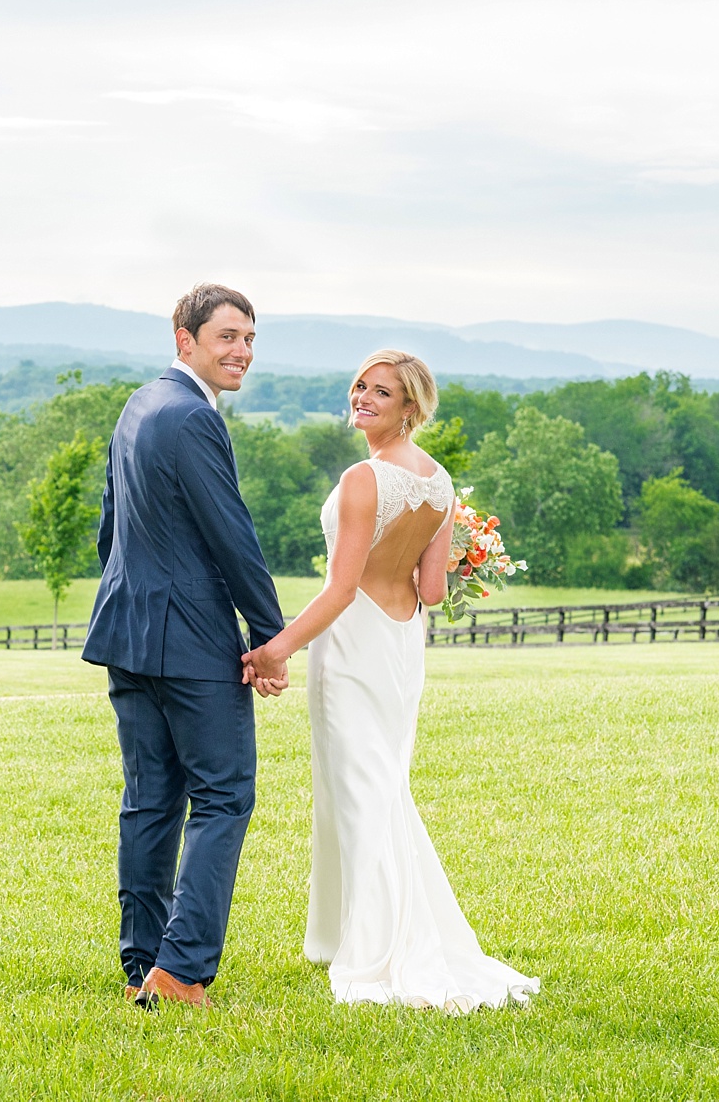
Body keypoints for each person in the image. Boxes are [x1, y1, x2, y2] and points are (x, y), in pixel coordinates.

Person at [241, 349, 539, 1012]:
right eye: (360, 386)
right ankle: (361, 931)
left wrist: (276, 649)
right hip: (402, 645)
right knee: (380, 787)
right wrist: (459, 555)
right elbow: (431, 590)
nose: (364, 398)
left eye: (382, 392)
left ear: (411, 407)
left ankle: (379, 948)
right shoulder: (439, 482)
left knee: (362, 792)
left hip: (353, 647)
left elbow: (341, 589)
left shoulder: (362, 480)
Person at [82, 283, 289, 1009]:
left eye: (250, 339)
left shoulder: (139, 405)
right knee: (224, 797)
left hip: (127, 632)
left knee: (149, 801)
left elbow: (110, 526)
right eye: (228, 336)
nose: (242, 351)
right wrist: (270, 638)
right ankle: (181, 971)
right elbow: (233, 537)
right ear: (186, 339)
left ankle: (142, 961)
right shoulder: (195, 418)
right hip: (193, 643)